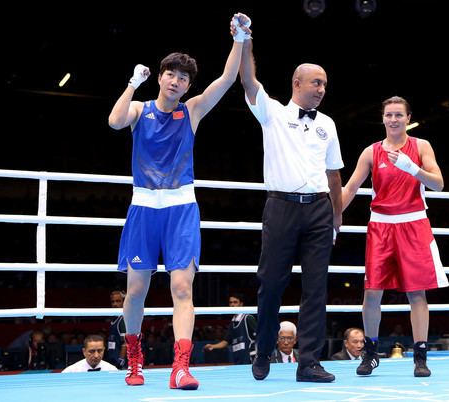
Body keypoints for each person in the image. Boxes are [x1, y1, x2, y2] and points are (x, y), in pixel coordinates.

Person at [108, 12, 251, 390]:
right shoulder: (140, 110)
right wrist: (131, 84)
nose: (177, 80)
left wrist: (239, 39)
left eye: (183, 77)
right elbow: (114, 121)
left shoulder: (193, 111)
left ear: (188, 85)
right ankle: (134, 361)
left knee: (183, 288)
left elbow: (226, 80)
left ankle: (181, 367)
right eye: (171, 74)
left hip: (181, 208)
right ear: (160, 77)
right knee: (136, 291)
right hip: (143, 208)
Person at [237, 20, 343, 383]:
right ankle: (264, 350)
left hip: (318, 210)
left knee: (317, 287)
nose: (322, 89)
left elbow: (334, 175)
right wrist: (245, 41)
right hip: (281, 206)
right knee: (271, 283)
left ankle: (309, 362)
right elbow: (249, 81)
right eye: (317, 83)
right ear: (297, 83)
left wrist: (337, 216)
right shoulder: (273, 113)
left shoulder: (328, 124)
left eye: (325, 84)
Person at [341, 96, 449, 378]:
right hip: (381, 226)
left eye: (398, 115)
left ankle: (421, 355)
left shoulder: (421, 146)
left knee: (417, 293)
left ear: (407, 117)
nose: (393, 120)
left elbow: (438, 184)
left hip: (414, 223)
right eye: (389, 115)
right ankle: (370, 352)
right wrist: (331, 215)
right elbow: (350, 188)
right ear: (383, 118)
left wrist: (411, 167)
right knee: (372, 292)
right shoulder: (371, 152)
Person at [203, 292, 257, 364]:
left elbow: (260, 336)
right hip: (238, 360)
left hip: (250, 360)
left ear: (241, 304)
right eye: (231, 302)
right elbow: (226, 342)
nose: (232, 305)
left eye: (235, 302)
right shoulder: (233, 322)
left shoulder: (248, 318)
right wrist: (212, 346)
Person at [106, 290, 127, 368]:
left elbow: (125, 343)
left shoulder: (123, 319)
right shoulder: (113, 318)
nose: (115, 304)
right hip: (112, 360)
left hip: (120, 364)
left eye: (118, 301)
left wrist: (121, 360)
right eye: (113, 301)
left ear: (124, 302)